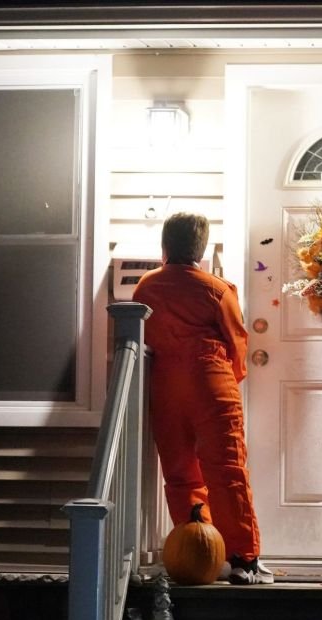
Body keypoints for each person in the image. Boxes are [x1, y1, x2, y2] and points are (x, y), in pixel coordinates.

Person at [132, 212, 272, 585]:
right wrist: (233, 376)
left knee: (180, 473)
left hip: (165, 386)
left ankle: (200, 554)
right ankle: (243, 557)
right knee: (226, 469)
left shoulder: (146, 287)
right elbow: (237, 341)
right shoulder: (217, 289)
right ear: (201, 248)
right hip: (210, 382)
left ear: (165, 246)